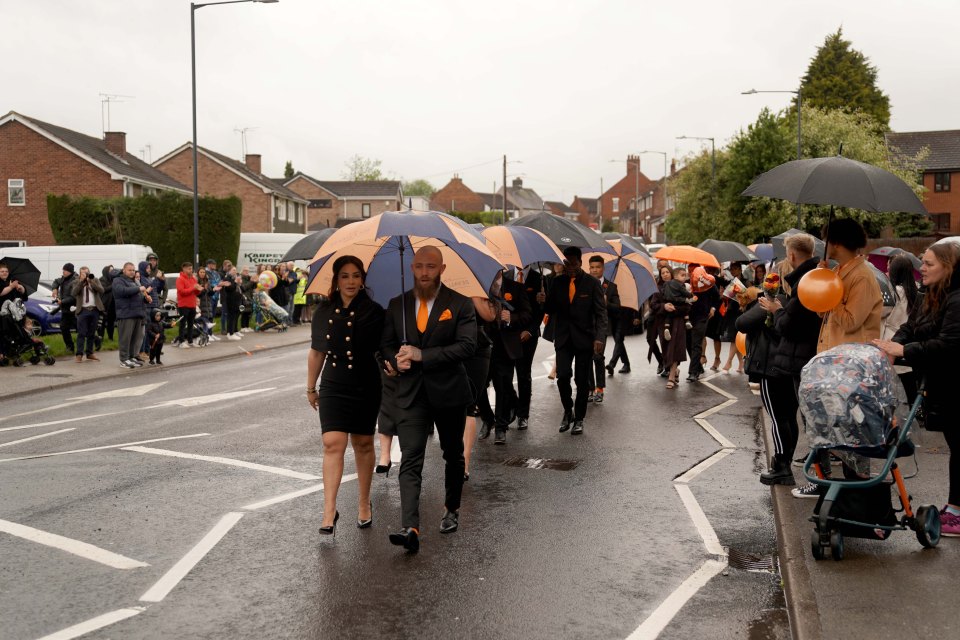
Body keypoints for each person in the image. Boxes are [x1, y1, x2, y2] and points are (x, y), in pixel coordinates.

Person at [380, 245, 477, 552]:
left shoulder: (460, 304)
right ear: (411, 268)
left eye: (430, 267)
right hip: (410, 394)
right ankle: (410, 527)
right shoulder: (398, 305)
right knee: (410, 459)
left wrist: (423, 355)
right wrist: (395, 363)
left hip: (449, 392)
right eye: (419, 266)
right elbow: (385, 345)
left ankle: (451, 507)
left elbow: (467, 347)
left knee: (452, 453)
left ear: (442, 269)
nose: (424, 272)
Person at [875, 242, 960, 536]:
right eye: (922, 262)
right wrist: (892, 346)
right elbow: (913, 327)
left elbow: (948, 345)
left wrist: (904, 349)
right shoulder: (934, 295)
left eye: (929, 264)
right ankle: (955, 509)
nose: (921, 268)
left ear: (948, 267)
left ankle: (956, 512)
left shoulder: (957, 299)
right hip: (944, 386)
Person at [307, 255, 385, 536]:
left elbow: (385, 347)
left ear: (363, 279)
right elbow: (317, 351)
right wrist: (310, 387)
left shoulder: (375, 311)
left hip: (366, 383)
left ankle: (364, 503)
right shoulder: (324, 311)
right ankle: (329, 510)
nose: (351, 281)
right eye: (345, 276)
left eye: (356, 275)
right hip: (334, 383)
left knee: (363, 443)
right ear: (336, 280)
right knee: (332, 442)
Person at [758, 237, 822, 487]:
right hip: (805, 356)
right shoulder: (816, 277)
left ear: (793, 255)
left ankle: (818, 479)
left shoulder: (805, 284)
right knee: (805, 419)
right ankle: (817, 476)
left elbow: (789, 326)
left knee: (807, 421)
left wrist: (776, 310)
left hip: (800, 358)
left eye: (787, 253)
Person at [539, 246, 607, 434]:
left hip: (585, 338)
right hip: (563, 338)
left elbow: (601, 314)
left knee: (581, 380)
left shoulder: (592, 284)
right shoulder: (557, 282)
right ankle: (567, 411)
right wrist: (543, 299)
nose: (569, 267)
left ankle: (579, 418)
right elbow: (550, 309)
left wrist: (600, 338)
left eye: (573, 263)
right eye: (566, 263)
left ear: (580, 262)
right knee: (563, 377)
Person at [816, 218, 882, 353]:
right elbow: (822, 312)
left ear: (837, 244)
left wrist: (831, 292)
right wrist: (822, 278)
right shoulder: (835, 272)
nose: (824, 245)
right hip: (833, 353)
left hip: (851, 359)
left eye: (825, 241)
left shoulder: (862, 277)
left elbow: (850, 323)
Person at [485, 270, 531, 444]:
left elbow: (527, 314)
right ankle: (489, 418)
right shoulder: (480, 286)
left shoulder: (516, 288)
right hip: (483, 344)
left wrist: (511, 317)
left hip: (506, 345)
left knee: (502, 385)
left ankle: (500, 427)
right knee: (480, 387)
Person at [515, 265, 545, 429]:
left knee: (523, 374)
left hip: (529, 334)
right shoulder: (505, 274)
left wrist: (531, 331)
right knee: (503, 376)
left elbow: (541, 311)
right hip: (508, 334)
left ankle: (523, 415)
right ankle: (512, 406)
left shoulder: (538, 278)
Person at [650, 267, 690, 389]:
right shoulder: (658, 289)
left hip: (678, 321)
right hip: (663, 323)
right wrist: (664, 306)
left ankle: (671, 377)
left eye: (667, 272)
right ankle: (675, 370)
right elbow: (653, 305)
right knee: (667, 350)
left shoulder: (680, 288)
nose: (665, 274)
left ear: (672, 274)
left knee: (675, 348)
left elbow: (687, 306)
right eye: (663, 273)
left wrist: (675, 308)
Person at [587, 255, 618, 403]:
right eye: (592, 267)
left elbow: (617, 308)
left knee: (598, 357)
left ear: (603, 268)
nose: (594, 270)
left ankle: (600, 389)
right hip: (585, 327)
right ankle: (589, 389)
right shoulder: (584, 283)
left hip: (601, 328)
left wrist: (607, 303)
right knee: (586, 358)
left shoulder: (611, 287)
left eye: (597, 267)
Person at [112, 262, 149, 368]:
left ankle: (131, 357)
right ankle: (123, 359)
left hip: (136, 313)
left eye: (133, 270)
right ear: (124, 270)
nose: (132, 272)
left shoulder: (134, 281)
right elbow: (122, 291)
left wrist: (145, 299)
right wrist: (138, 289)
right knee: (125, 338)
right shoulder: (118, 280)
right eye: (130, 270)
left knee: (134, 338)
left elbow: (137, 297)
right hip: (125, 314)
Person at [685, 266, 719, 382]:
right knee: (688, 343)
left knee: (696, 343)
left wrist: (713, 309)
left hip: (702, 316)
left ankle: (693, 372)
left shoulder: (707, 282)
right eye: (689, 271)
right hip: (687, 317)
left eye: (693, 270)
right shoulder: (685, 283)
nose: (691, 273)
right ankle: (698, 367)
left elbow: (716, 297)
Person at [70, 266, 104, 363]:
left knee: (92, 333)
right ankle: (79, 354)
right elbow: (73, 293)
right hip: (83, 310)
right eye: (83, 273)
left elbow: (102, 290)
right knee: (81, 333)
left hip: (94, 309)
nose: (86, 274)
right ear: (80, 274)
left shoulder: (95, 280)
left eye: (87, 272)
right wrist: (82, 282)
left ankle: (89, 353)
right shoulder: (76, 282)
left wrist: (91, 282)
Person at [51, 263, 78, 353]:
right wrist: (54, 288)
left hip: (74, 309)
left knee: (81, 329)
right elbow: (56, 281)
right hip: (65, 309)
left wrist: (62, 301)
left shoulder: (75, 280)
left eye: (65, 270)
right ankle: (70, 347)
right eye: (63, 270)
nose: (63, 272)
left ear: (70, 271)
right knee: (63, 327)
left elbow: (73, 297)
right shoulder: (63, 278)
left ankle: (96, 340)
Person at [661, 268, 694, 339]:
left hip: (669, 303)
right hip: (679, 303)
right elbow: (685, 293)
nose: (684, 277)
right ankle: (687, 321)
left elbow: (663, 292)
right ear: (675, 276)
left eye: (685, 275)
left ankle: (666, 327)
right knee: (687, 307)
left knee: (669, 315)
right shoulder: (680, 284)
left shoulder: (666, 283)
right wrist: (691, 295)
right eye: (682, 275)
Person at [176, 262, 201, 348]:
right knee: (183, 324)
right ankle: (181, 341)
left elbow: (196, 292)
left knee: (191, 324)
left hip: (192, 305)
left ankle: (190, 341)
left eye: (191, 268)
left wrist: (198, 289)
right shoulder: (180, 279)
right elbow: (182, 292)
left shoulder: (193, 279)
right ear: (184, 269)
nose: (191, 270)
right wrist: (193, 288)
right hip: (183, 305)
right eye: (189, 269)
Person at [220, 266, 243, 340]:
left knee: (234, 316)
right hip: (230, 300)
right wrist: (235, 282)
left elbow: (239, 289)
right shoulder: (227, 278)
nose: (235, 271)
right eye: (233, 270)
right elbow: (229, 289)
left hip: (236, 300)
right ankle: (230, 333)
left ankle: (233, 331)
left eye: (236, 270)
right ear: (229, 271)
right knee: (231, 317)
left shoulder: (233, 278)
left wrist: (239, 283)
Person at [96, 266, 116, 349]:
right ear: (106, 271)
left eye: (113, 270)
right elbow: (104, 289)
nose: (112, 272)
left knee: (111, 323)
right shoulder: (101, 279)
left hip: (112, 305)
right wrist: (113, 285)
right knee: (102, 323)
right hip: (104, 304)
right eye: (110, 270)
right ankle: (101, 339)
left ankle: (110, 338)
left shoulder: (113, 279)